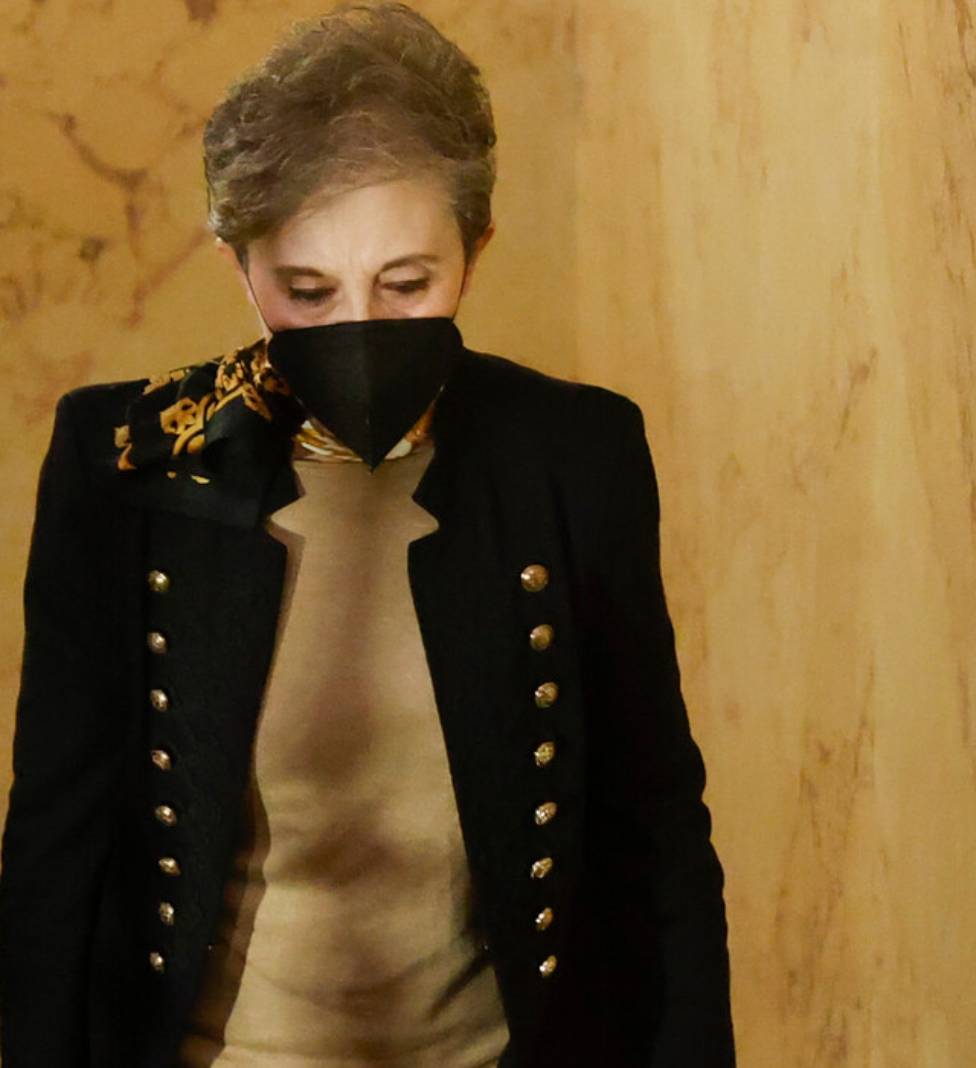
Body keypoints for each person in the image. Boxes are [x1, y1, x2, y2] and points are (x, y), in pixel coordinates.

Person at [0, 3, 735, 1065]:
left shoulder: (574, 452)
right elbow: (55, 837)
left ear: (475, 249)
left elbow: (655, 819)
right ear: (238, 266)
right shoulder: (127, 458)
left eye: (406, 283)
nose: (359, 328)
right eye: (307, 291)